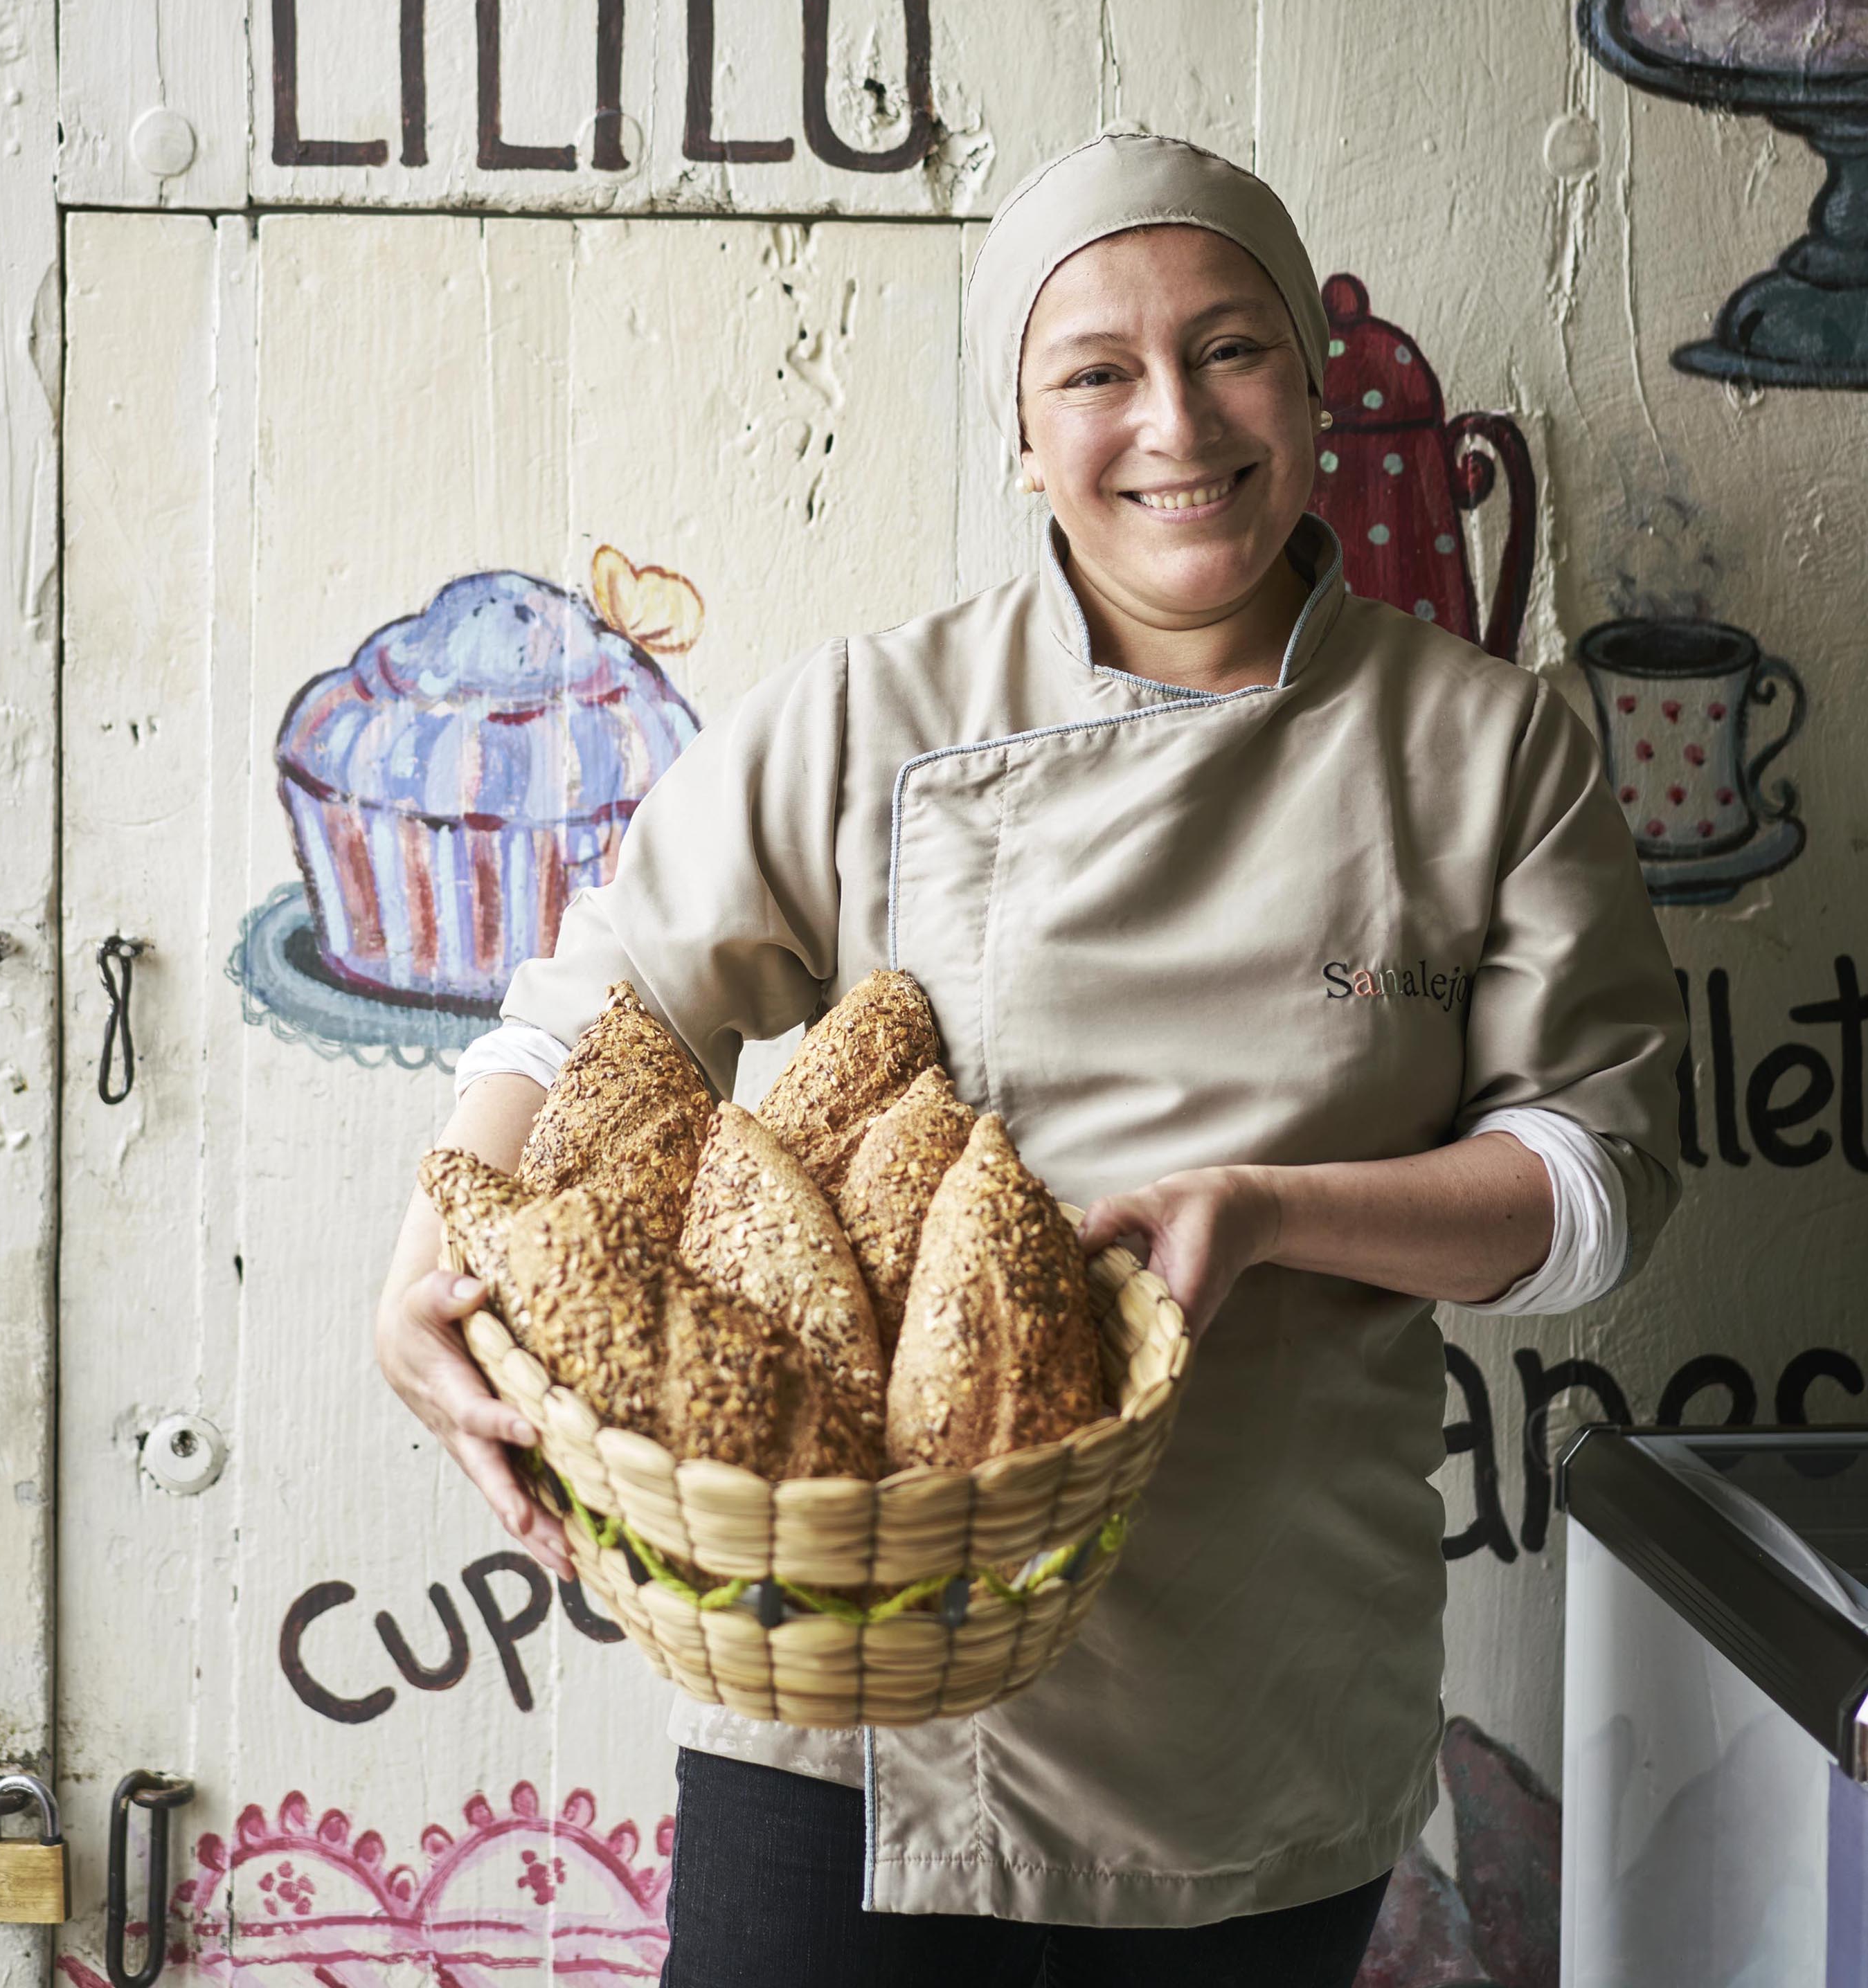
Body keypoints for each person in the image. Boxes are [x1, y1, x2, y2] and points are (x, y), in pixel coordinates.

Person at [378, 132, 1684, 1987]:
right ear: (1018, 434)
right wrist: (429, 1259)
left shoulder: (1489, 750)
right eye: (1094, 373)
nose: (1173, 421)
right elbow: (597, 1016)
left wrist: (1268, 1212)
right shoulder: (866, 717)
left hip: (1253, 1692)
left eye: (1228, 350)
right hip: (845, 1681)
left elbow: (1590, 1192)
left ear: (1307, 390)